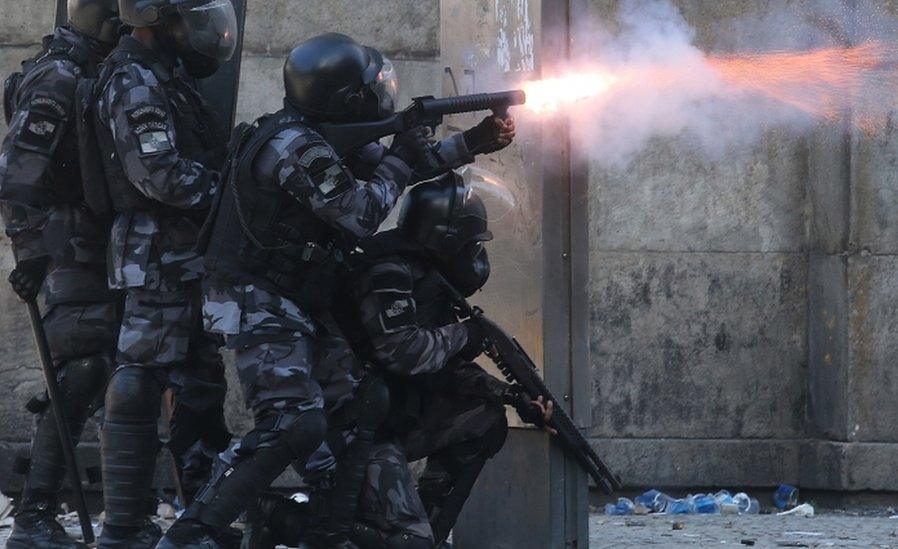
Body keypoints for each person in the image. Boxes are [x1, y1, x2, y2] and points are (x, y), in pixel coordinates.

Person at [157, 32, 516, 548]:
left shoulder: (321, 133)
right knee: (292, 423)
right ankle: (195, 532)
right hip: (254, 298)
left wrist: (473, 142)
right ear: (348, 98)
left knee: (352, 413)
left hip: (295, 296)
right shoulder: (294, 145)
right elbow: (361, 212)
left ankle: (324, 525)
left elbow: (400, 166)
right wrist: (398, 154)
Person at [86, 0, 239, 546]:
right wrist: (237, 197)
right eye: (187, 19)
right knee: (141, 374)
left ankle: (200, 518)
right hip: (155, 251)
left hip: (188, 250)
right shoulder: (134, 81)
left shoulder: (166, 77)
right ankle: (122, 526)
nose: (200, 31)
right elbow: (160, 176)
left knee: (201, 378)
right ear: (155, 18)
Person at [332, 174, 552, 549]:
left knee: (484, 418)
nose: (474, 255)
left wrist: (511, 395)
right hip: (351, 431)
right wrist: (468, 334)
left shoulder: (424, 279)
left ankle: (423, 528)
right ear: (446, 240)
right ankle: (289, 521)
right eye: (468, 245)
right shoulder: (388, 271)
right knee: (407, 542)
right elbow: (403, 352)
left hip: (387, 418)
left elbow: (444, 366)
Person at [0, 2, 123, 547]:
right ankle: (34, 514)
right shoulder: (61, 75)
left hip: (94, 240)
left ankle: (41, 501)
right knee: (83, 367)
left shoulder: (95, 68)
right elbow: (20, 169)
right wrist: (29, 251)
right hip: (68, 242)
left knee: (91, 366)